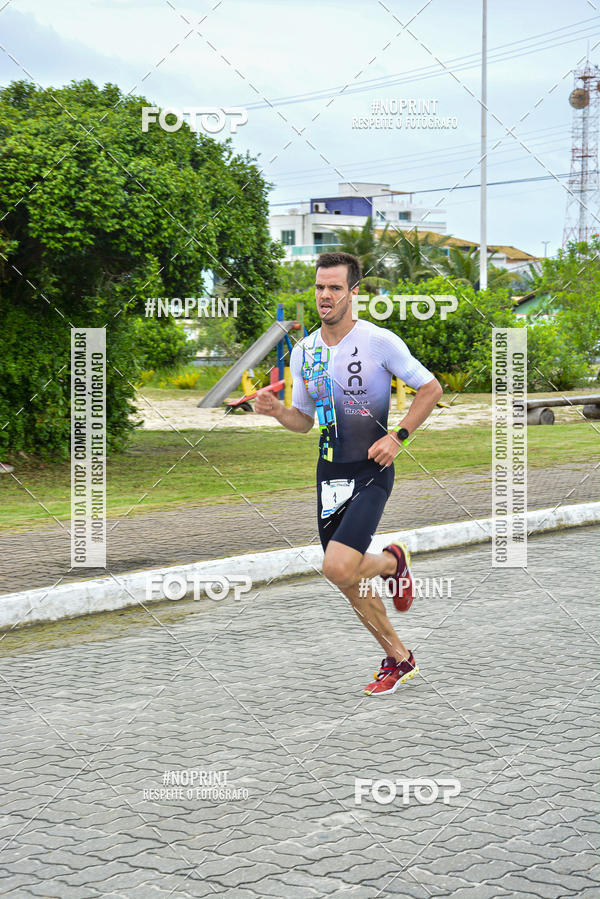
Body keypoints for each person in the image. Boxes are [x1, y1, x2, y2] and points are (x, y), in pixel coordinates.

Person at [255, 252, 443, 695]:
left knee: (338, 568)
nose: (325, 296)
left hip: (373, 468)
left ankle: (398, 646)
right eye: (320, 287)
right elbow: (305, 421)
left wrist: (398, 436)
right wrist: (279, 411)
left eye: (335, 288)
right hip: (330, 473)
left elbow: (430, 388)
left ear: (353, 292)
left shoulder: (379, 342)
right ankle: (393, 578)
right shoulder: (305, 352)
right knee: (346, 573)